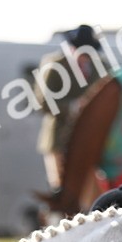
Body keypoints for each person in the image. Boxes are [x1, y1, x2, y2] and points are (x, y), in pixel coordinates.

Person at [36, 25, 109, 205]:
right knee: (64, 191)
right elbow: (43, 101)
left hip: (91, 140)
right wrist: (73, 107)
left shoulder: (101, 66)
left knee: (93, 192)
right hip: (61, 139)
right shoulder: (54, 66)